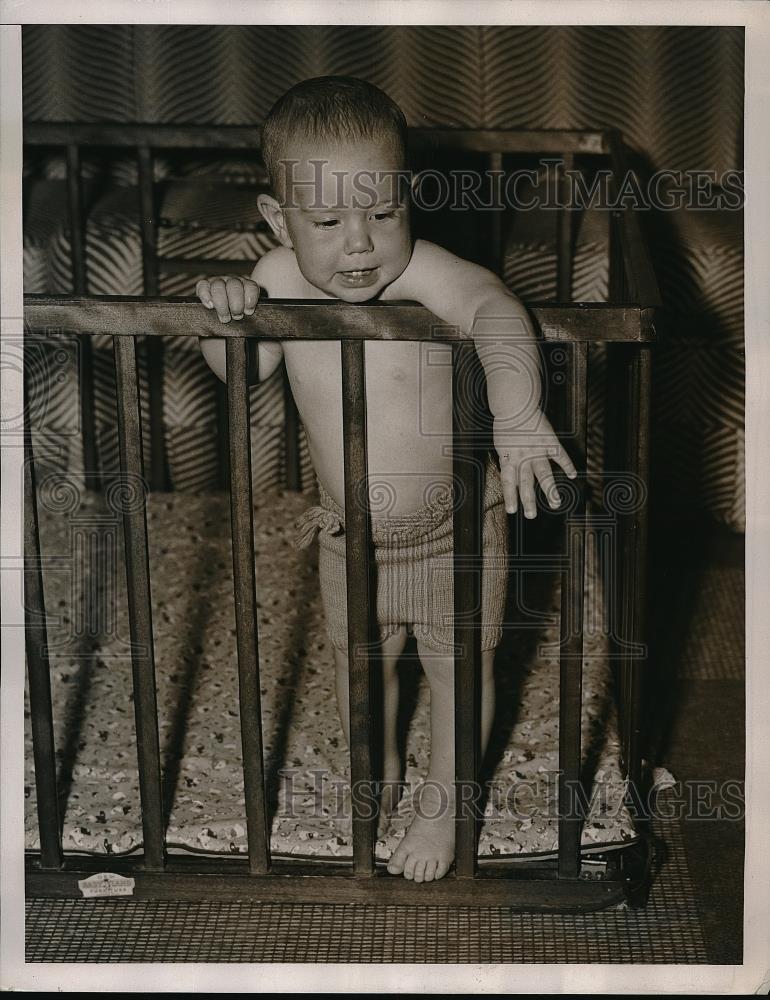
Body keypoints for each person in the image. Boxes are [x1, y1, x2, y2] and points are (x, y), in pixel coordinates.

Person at [196, 76, 576, 883]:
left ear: (409, 200)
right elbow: (244, 370)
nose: (361, 244)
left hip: (452, 533)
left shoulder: (422, 275)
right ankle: (378, 774)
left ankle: (446, 800)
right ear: (278, 219)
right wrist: (228, 316)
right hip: (351, 539)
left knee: (455, 668)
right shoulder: (278, 282)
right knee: (361, 666)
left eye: (385, 211)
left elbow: (496, 308)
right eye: (328, 222)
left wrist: (516, 415)